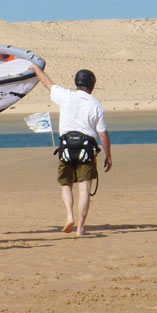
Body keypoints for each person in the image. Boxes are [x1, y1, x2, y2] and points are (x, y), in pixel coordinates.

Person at [32, 64, 112, 237]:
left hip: (66, 148)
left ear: (76, 82)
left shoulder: (66, 95)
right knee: (84, 190)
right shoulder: (96, 104)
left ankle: (69, 215)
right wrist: (108, 155)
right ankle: (80, 228)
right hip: (87, 150)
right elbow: (103, 134)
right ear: (92, 85)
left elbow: (46, 82)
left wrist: (34, 67)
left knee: (65, 185)